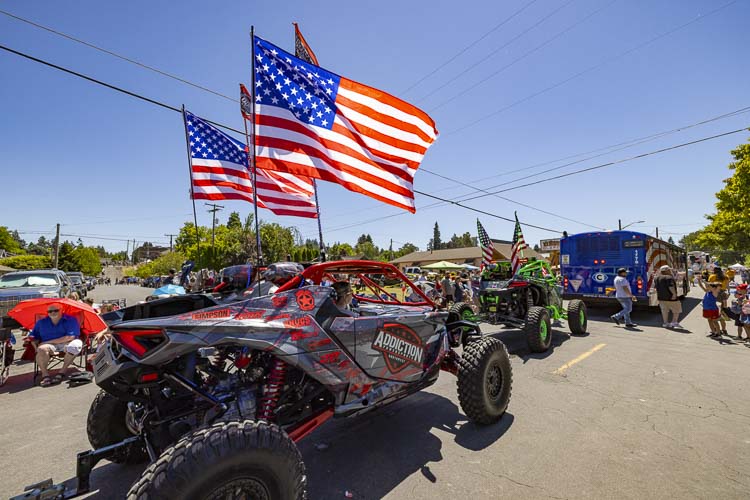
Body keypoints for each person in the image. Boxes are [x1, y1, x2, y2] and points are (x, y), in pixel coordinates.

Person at [30, 304, 83, 387]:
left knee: (74, 346)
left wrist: (47, 342)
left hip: (67, 343)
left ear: (61, 310)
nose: (52, 313)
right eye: (50, 311)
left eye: (56, 310)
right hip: (49, 345)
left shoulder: (70, 319)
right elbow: (33, 336)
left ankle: (62, 372)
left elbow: (70, 337)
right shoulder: (41, 322)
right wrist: (34, 344)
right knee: (41, 349)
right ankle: (45, 375)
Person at [708, 267, 730, 335]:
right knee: (722, 313)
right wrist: (728, 293)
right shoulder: (726, 277)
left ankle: (715, 329)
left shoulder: (712, 276)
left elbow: (709, 286)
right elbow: (727, 286)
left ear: (714, 271)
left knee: (713, 313)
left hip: (714, 294)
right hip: (723, 294)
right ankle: (724, 329)